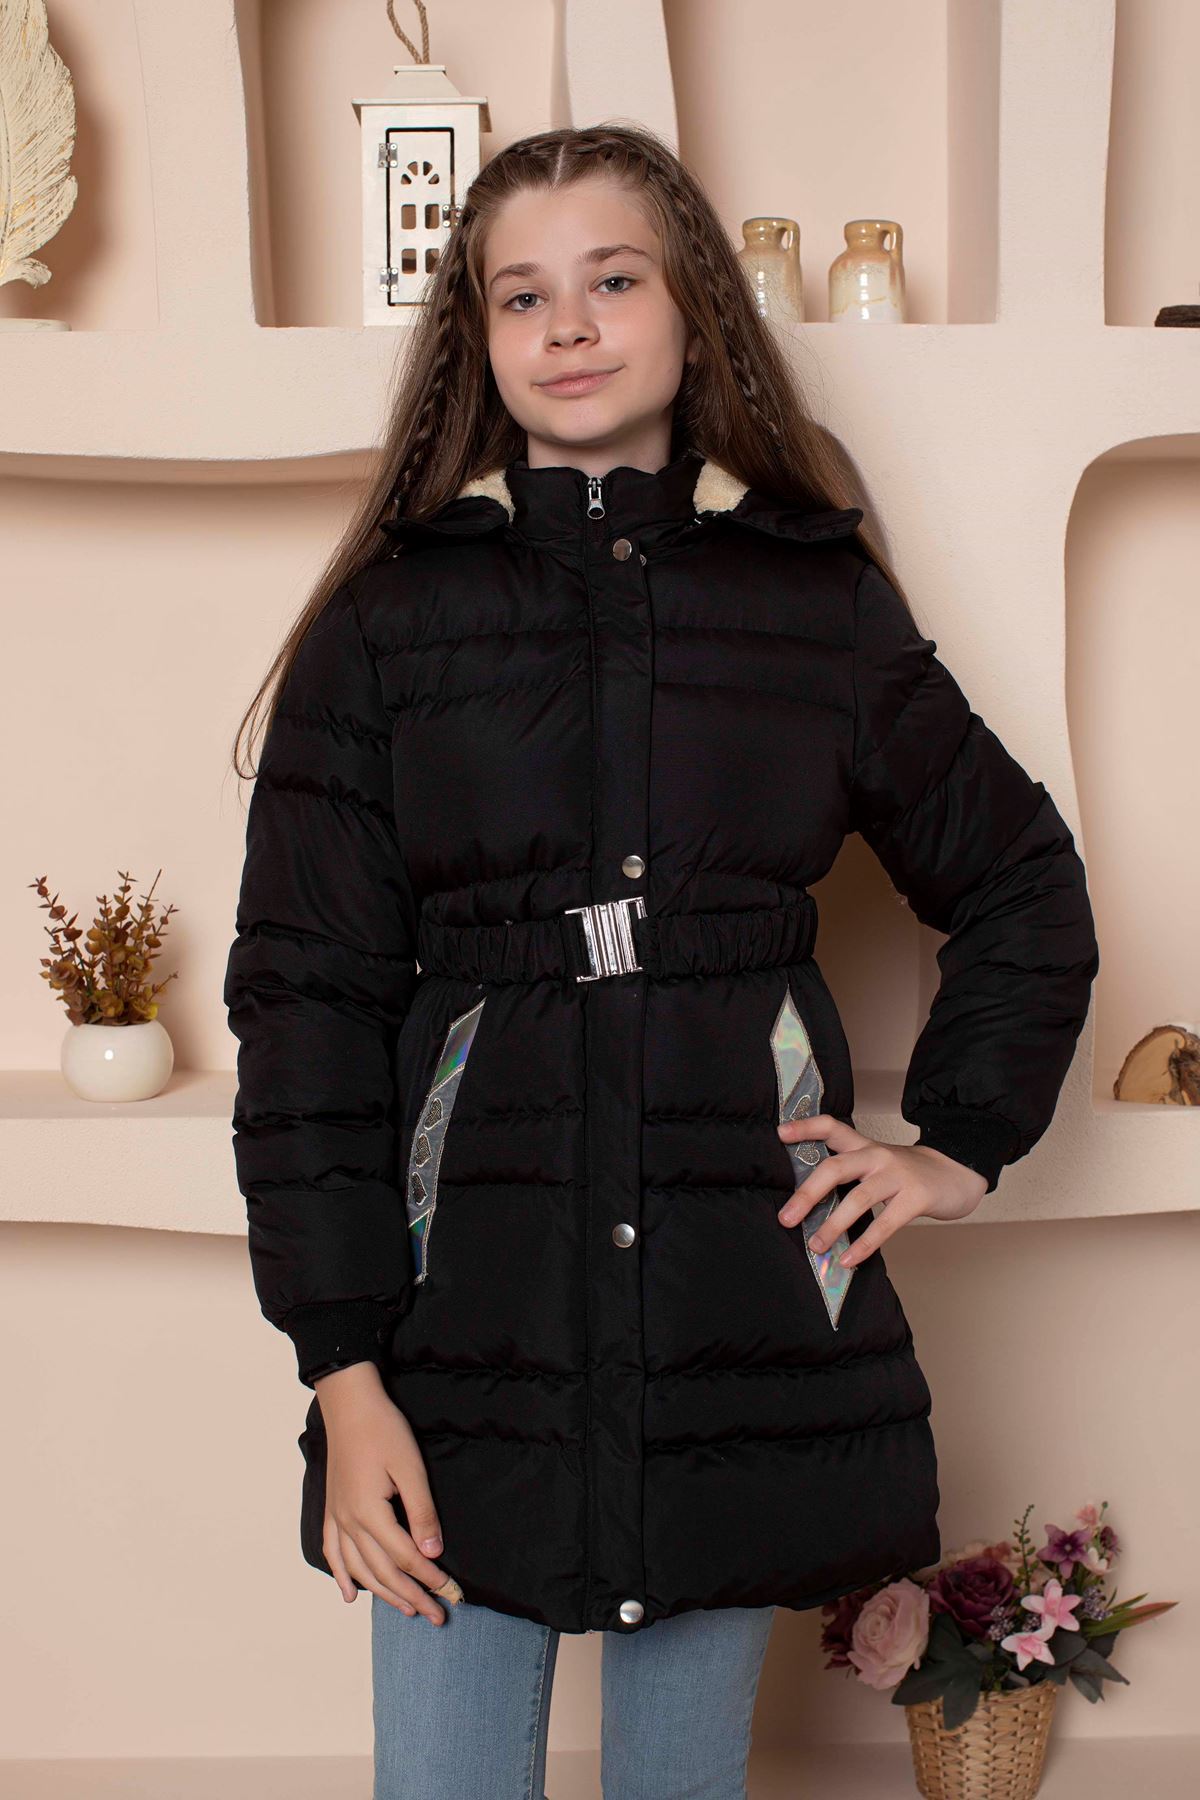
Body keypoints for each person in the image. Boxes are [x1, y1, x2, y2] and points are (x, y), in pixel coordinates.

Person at [223, 123, 1100, 1799]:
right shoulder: (391, 626)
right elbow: (305, 1009)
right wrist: (343, 1374)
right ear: (476, 342)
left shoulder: (814, 606)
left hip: (736, 1318)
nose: (568, 324)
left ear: (695, 311)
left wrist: (960, 1146)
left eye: (612, 279)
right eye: (520, 294)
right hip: (460, 1331)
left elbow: (1020, 884)